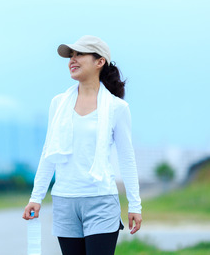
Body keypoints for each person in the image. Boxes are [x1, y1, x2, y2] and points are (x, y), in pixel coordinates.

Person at [22, 35, 142, 255]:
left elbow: (126, 158)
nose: (72, 60)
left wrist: (135, 205)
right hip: (64, 201)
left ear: (100, 61)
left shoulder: (117, 108)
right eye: (71, 55)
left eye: (80, 54)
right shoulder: (58, 103)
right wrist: (35, 198)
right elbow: (49, 153)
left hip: (101, 200)